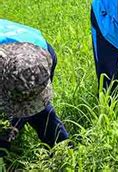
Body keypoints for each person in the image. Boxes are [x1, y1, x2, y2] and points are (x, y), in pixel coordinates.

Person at [0, 19, 69, 158]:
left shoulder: (46, 56)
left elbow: (33, 96)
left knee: (40, 111)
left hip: (35, 50)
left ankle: (62, 152)